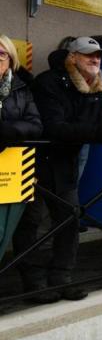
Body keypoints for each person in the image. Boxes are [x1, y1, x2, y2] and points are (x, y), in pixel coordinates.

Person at [16, 36, 102, 302]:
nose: (95, 59)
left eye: (98, 55)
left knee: (69, 220)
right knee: (31, 224)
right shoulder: (49, 82)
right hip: (35, 163)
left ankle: (61, 278)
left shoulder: (97, 88)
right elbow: (54, 127)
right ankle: (33, 283)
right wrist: (100, 132)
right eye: (89, 54)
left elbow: (95, 125)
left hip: (65, 163)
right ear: (72, 57)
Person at [0, 35, 42, 265]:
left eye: (1, 53)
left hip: (12, 173)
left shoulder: (21, 89)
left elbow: (36, 125)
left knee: (4, 233)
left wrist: (11, 130)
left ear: (11, 59)